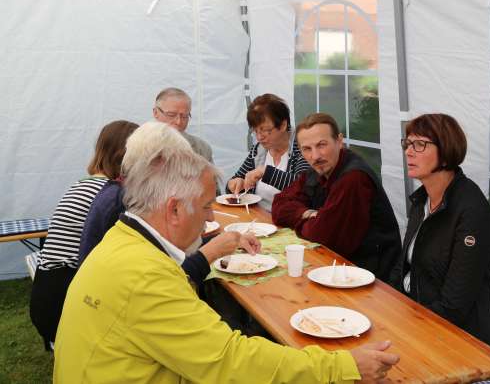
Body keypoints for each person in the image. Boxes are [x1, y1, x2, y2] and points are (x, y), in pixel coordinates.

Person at [53, 130, 400, 383]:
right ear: (174, 209)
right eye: (206, 207)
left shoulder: (124, 241)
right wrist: (341, 367)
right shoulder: (144, 275)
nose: (209, 219)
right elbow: (228, 361)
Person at [77, 121, 258, 286]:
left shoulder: (125, 196)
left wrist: (221, 241)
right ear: (158, 166)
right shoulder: (122, 203)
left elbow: (166, 251)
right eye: (179, 165)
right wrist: (211, 251)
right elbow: (169, 277)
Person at [390, 114, 490, 347]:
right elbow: (404, 267)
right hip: (417, 319)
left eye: (420, 144)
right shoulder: (423, 200)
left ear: (447, 149)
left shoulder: (472, 213)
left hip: (457, 339)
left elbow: (454, 306)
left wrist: (404, 328)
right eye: (407, 144)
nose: (409, 152)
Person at [30, 120, 138, 349]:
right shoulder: (111, 196)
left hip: (44, 295)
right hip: (67, 305)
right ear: (126, 156)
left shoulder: (81, 185)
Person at [271, 113, 401, 282]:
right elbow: (279, 206)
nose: (315, 156)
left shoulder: (353, 178)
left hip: (370, 279)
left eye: (321, 145)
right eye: (307, 149)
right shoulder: (318, 169)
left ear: (339, 141)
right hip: (334, 267)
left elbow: (322, 235)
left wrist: (310, 221)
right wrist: (308, 214)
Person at [227, 93, 309, 211]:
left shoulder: (302, 147)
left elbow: (304, 187)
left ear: (283, 125)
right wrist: (234, 184)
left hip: (288, 222)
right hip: (258, 218)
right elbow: (235, 181)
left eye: (265, 130)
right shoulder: (259, 150)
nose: (259, 137)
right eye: (255, 131)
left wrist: (266, 172)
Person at [152, 87, 213, 162]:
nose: (178, 122)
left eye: (184, 116)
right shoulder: (139, 146)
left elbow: (212, 174)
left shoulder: (202, 148)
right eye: (171, 115)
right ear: (155, 113)